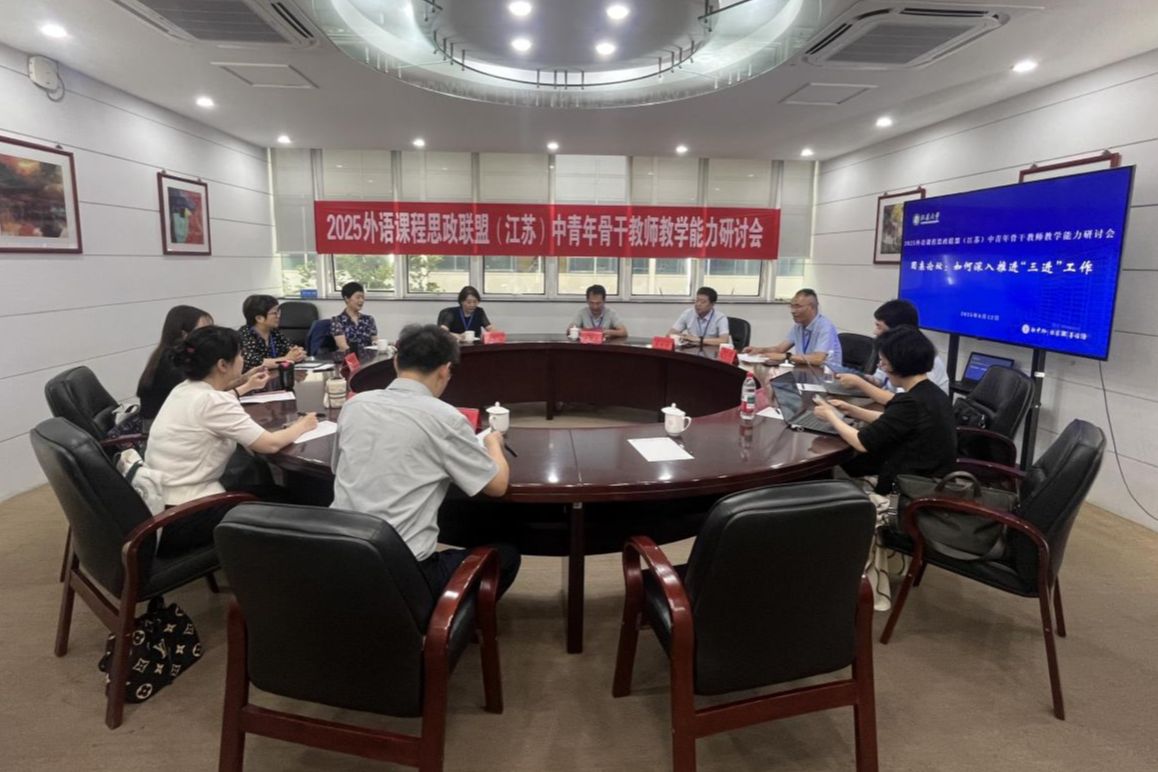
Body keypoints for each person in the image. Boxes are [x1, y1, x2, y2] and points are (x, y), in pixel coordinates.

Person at [330, 324, 521, 597]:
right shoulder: (445, 417)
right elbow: (497, 486)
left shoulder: (354, 405)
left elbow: (338, 468)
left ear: (396, 361)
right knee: (507, 555)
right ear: (445, 370)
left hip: (338, 556)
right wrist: (493, 443)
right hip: (403, 574)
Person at [145, 326, 318, 553]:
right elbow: (270, 444)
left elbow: (212, 407)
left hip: (161, 507)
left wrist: (247, 386)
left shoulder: (185, 389)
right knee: (291, 501)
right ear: (222, 365)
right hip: (185, 517)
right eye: (239, 355)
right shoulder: (213, 402)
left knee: (271, 491)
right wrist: (304, 425)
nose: (242, 359)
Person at [812, 325, 956, 495]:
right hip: (930, 479)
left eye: (884, 363)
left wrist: (831, 416)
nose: (881, 367)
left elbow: (861, 442)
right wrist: (851, 410)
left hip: (909, 489)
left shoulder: (910, 402)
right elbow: (893, 420)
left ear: (899, 365)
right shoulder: (931, 392)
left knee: (831, 471)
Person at [835, 299, 950, 403]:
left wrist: (861, 384)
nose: (875, 332)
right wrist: (866, 379)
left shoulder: (921, 358)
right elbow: (880, 380)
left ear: (896, 330)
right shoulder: (892, 351)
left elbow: (902, 402)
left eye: (879, 326)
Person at [137, 305, 214, 423]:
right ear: (184, 334)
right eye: (204, 331)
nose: (212, 336)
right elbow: (200, 397)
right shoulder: (171, 360)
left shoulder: (181, 355)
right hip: (159, 426)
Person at [743, 288, 842, 366]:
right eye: (792, 306)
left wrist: (786, 356)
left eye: (797, 306)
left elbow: (818, 359)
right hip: (806, 372)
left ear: (811, 307)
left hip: (826, 377)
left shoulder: (825, 327)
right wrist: (760, 350)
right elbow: (779, 349)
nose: (793, 311)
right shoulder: (799, 326)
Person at [238, 294, 306, 370]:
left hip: (275, 374)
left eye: (278, 311)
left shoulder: (274, 332)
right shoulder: (244, 336)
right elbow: (255, 363)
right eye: (274, 313)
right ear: (259, 318)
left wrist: (298, 353)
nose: (278, 316)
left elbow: (291, 349)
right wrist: (287, 359)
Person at [331, 281, 379, 352]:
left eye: (362, 297)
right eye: (358, 297)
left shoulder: (369, 319)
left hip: (369, 357)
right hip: (349, 357)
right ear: (347, 298)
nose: (361, 300)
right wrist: (357, 356)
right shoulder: (337, 321)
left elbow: (375, 341)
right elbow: (343, 346)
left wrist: (382, 345)